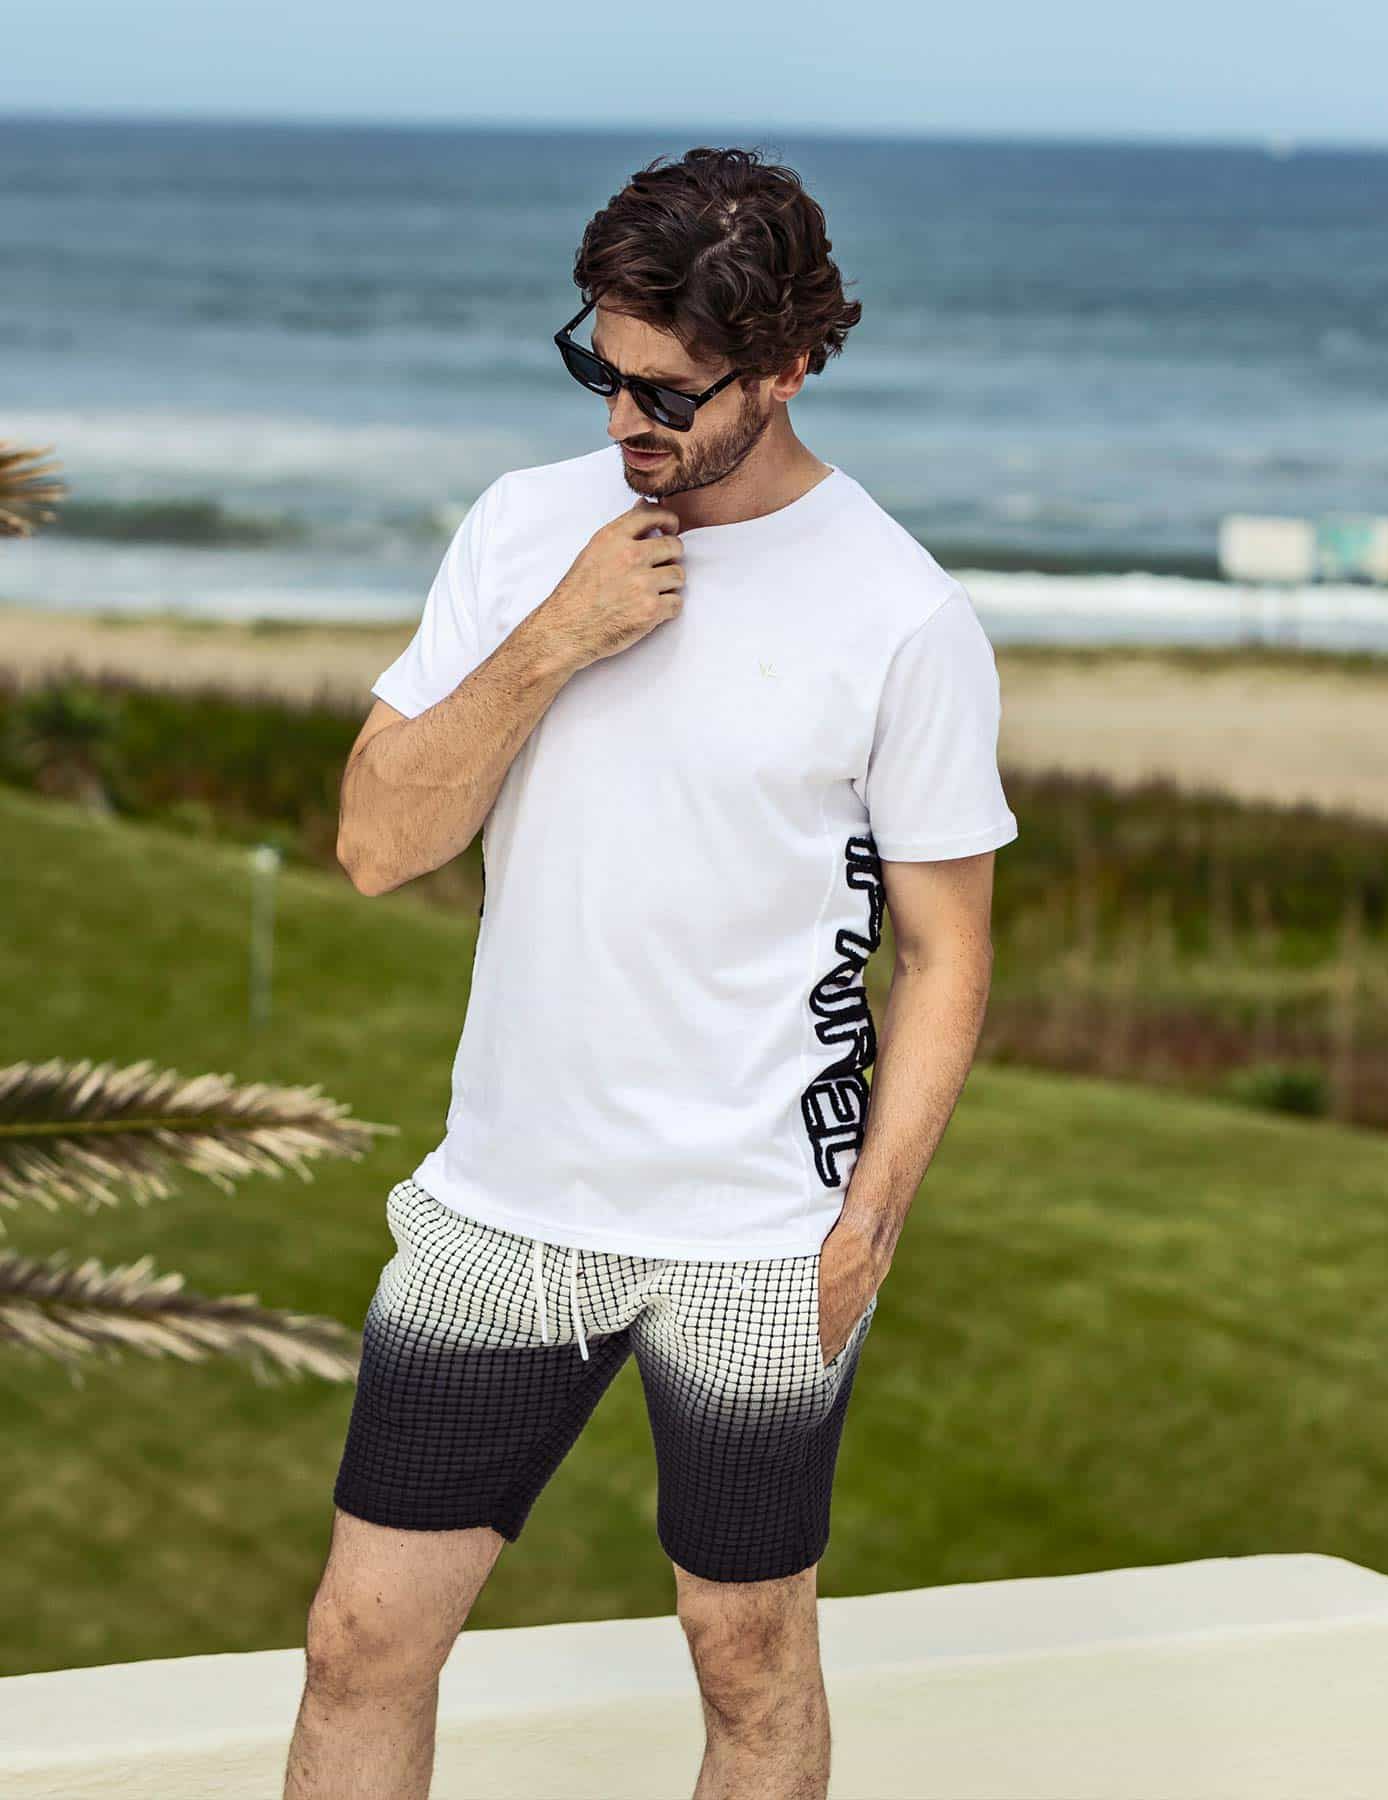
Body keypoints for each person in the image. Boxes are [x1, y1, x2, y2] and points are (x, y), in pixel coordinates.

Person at [283, 143, 1019, 1800]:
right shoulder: (525, 529)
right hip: (502, 1207)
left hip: (758, 1236)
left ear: (788, 366)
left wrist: (870, 1223)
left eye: (671, 394)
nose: (627, 420)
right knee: (359, 1643)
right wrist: (557, 633)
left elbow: (946, 949)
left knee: (749, 1660)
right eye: (600, 372)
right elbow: (377, 841)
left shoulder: (903, 616)